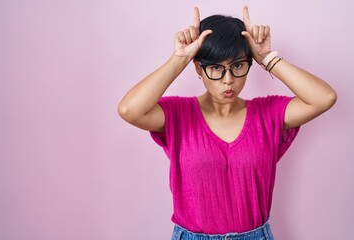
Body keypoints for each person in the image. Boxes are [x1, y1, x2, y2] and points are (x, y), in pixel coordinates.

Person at [117, 5, 337, 240]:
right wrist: (179, 59)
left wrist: (266, 57)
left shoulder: (268, 114)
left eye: (238, 66)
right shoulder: (178, 114)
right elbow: (129, 109)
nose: (228, 80)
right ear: (199, 69)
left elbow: (324, 98)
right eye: (215, 68)